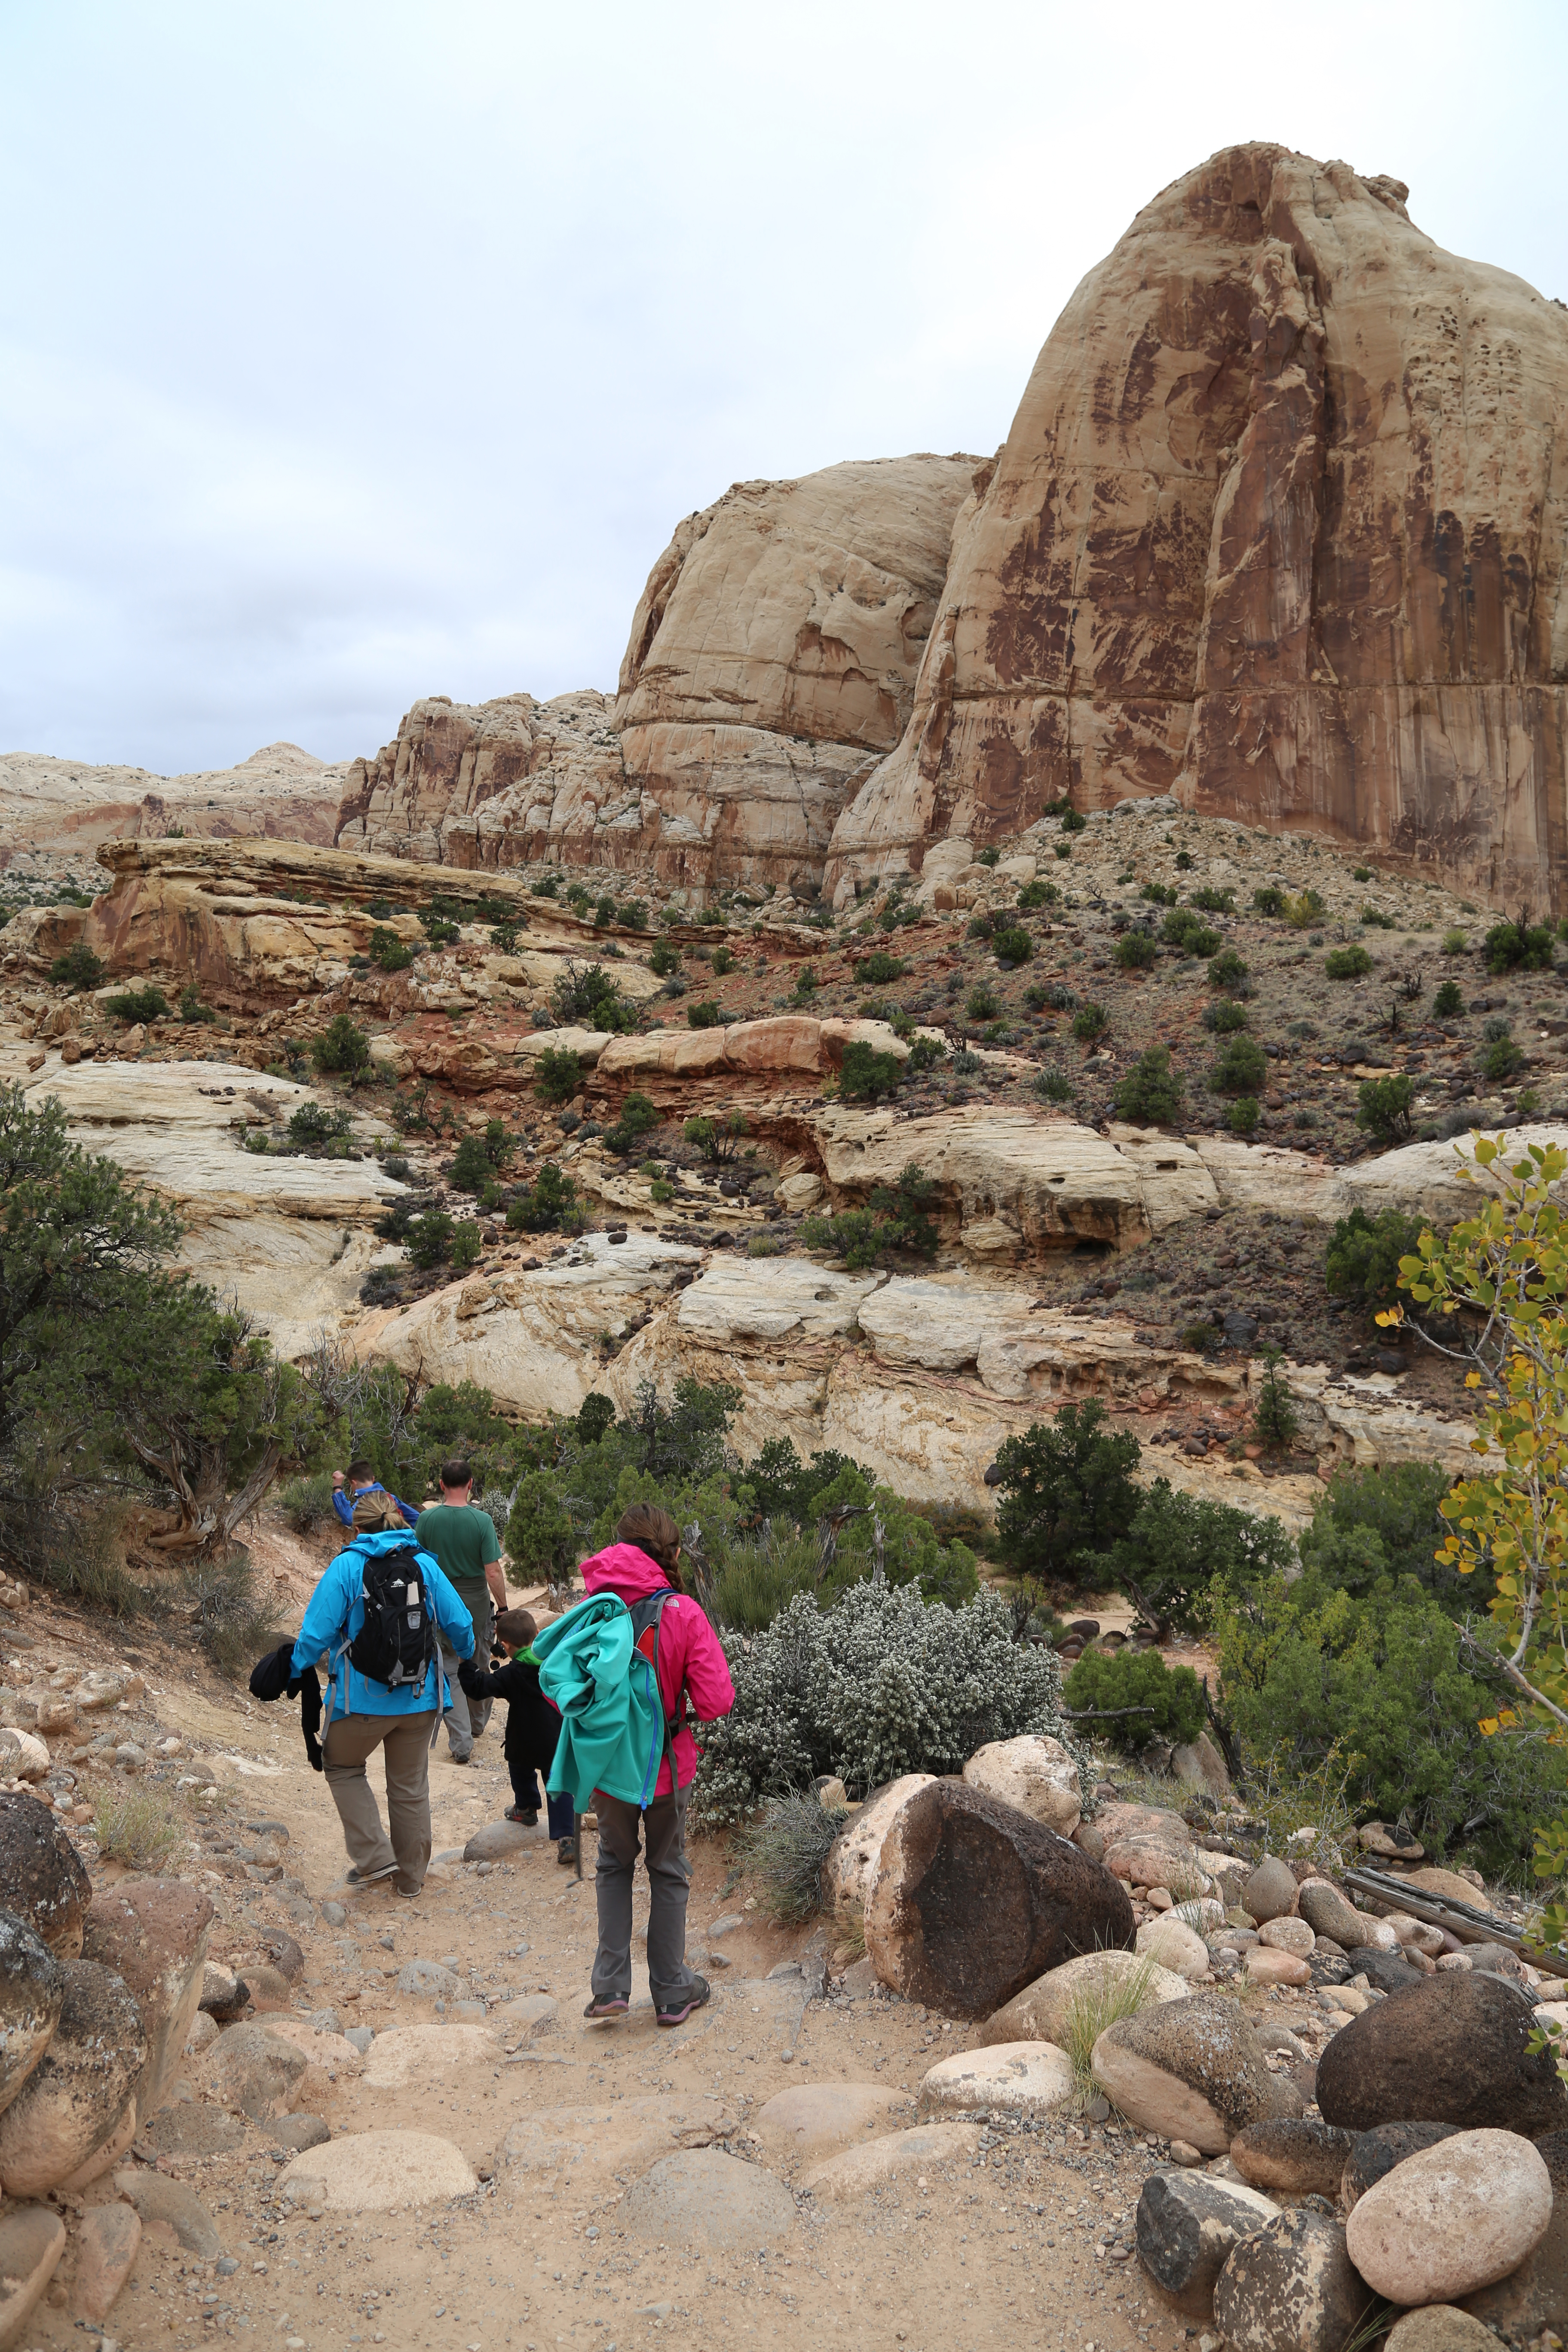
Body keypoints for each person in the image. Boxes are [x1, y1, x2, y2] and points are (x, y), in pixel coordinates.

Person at [575, 1501, 734, 2028]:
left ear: (620, 1547)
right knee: (668, 1870)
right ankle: (670, 1991)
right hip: (667, 1765)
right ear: (673, 1550)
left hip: (608, 1766)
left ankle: (609, 1988)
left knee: (613, 1865)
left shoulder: (593, 1608)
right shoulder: (682, 1612)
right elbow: (716, 1702)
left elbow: (563, 1692)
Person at [291, 1491, 474, 1896]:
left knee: (342, 1767)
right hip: (421, 1698)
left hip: (361, 1702)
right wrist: (466, 1659)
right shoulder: (424, 1564)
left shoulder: (347, 1567)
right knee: (410, 1788)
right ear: (397, 1522)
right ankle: (410, 1881)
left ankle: (375, 1858)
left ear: (356, 1527)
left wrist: (292, 1669)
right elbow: (460, 1622)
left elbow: (316, 1635)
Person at [456, 1606, 576, 1859]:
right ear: (536, 1633)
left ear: (506, 1645)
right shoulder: (554, 1662)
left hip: (523, 1740)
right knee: (559, 1785)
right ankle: (567, 1838)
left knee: (520, 1771)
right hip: (556, 1738)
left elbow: (478, 1687)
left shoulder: (511, 1674)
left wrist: (466, 1665)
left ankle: (526, 1808)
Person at [415, 1460, 506, 1765]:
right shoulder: (482, 1522)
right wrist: (503, 1608)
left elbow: (419, 1565)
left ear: (441, 1485)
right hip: (477, 1605)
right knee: (479, 1662)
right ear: (470, 1484)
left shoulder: (427, 1520)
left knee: (449, 1668)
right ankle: (478, 1724)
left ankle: (461, 1742)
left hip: (439, 1604)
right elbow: (492, 1571)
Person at [331, 1459, 419, 1533]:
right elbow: (416, 1518)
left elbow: (349, 1519)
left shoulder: (363, 1502)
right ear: (373, 1479)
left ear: (354, 1483)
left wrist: (338, 1488)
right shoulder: (390, 1497)